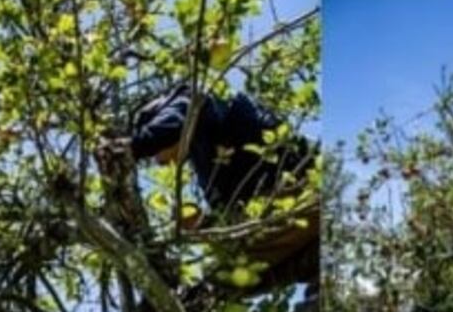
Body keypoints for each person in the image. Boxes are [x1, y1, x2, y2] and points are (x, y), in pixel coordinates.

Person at [125, 83, 320, 289]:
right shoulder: (207, 155)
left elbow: (178, 116)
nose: (159, 162)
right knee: (234, 281)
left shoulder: (196, 101)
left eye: (156, 155)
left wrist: (132, 147)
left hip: (302, 195)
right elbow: (230, 223)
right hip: (296, 222)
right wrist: (201, 224)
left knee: (219, 279)